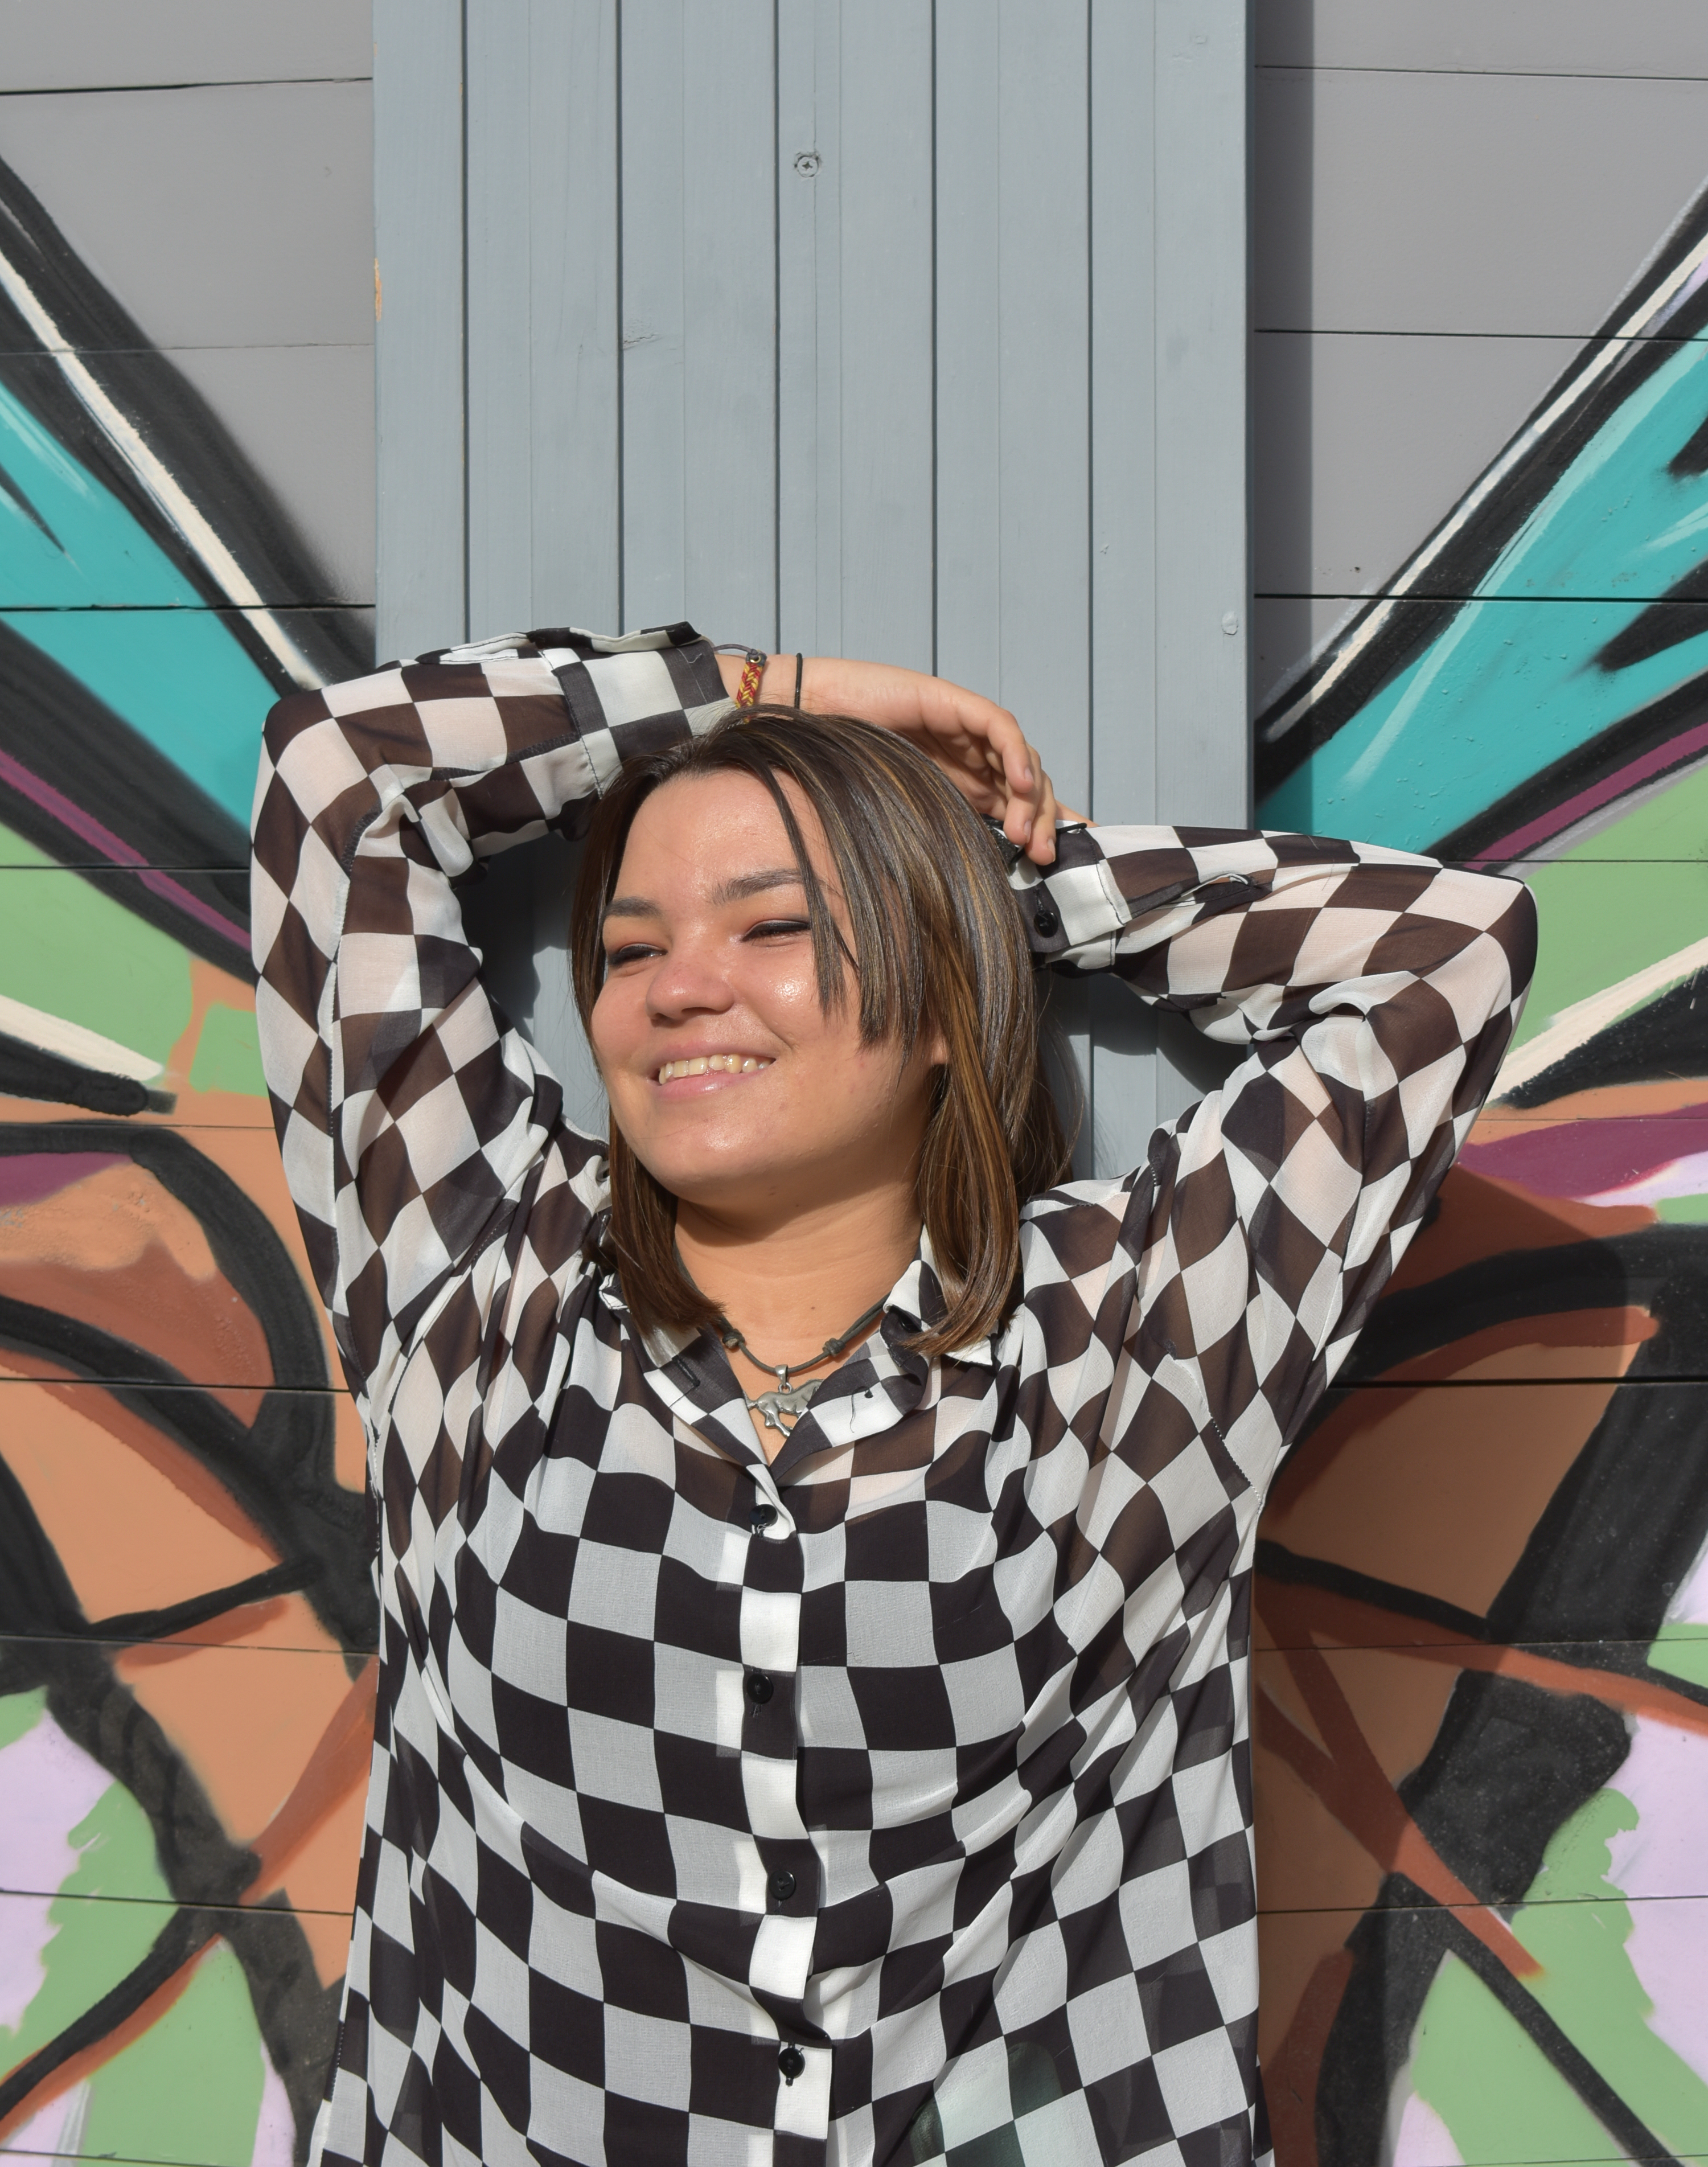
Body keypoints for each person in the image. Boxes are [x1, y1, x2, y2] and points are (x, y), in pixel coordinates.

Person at [252, 626, 1534, 2167]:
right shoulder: (473, 1285)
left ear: (937, 1001)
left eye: (775, 928)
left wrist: (976, 890)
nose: (681, 991)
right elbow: (342, 777)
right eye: (631, 947)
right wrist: (767, 692)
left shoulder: (1134, 1342)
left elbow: (1441, 951)